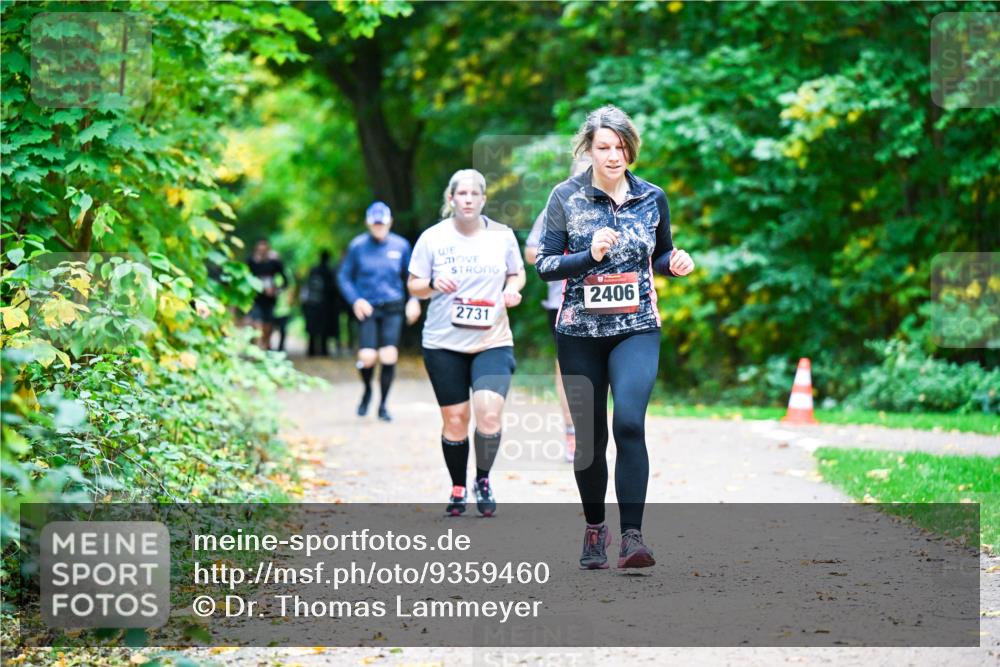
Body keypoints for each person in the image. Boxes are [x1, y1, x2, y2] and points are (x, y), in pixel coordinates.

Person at [536, 105, 695, 569]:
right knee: (590, 439)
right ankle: (594, 528)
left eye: (621, 147)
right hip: (580, 332)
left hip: (637, 328)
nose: (613, 156)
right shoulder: (565, 196)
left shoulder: (652, 197)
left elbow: (660, 254)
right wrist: (588, 255)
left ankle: (632, 537)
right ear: (588, 149)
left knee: (628, 422)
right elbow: (545, 264)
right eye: (604, 147)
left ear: (631, 149)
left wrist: (674, 263)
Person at [407, 169, 525, 518]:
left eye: (475, 194)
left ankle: (483, 479)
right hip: (443, 343)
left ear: (484, 199)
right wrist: (432, 284)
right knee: (456, 419)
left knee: (488, 411)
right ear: (451, 198)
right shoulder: (432, 238)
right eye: (462, 194)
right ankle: (458, 486)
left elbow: (516, 272)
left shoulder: (502, 236)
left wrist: (512, 289)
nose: (469, 199)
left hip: (493, 340)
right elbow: (414, 285)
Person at [523, 157, 591, 464]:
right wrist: (565, 254)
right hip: (562, 300)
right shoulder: (558, 205)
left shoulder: (617, 206)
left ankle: (594, 430)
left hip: (605, 299)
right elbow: (530, 252)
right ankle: (571, 432)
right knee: (567, 369)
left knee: (603, 367)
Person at [338, 202, 421, 421]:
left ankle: (383, 405)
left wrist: (414, 300)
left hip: (393, 306)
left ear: (389, 222)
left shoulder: (401, 245)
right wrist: (356, 300)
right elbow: (344, 277)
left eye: (382, 224)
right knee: (367, 357)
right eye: (375, 224)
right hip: (368, 308)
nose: (379, 227)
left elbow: (411, 276)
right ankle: (367, 390)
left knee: (388, 355)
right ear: (368, 223)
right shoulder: (357, 246)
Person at [246, 239, 287, 350]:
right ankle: (256, 347)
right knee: (256, 322)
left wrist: (276, 290)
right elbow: (244, 278)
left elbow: (285, 281)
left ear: (268, 250)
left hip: (269, 299)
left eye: (264, 250)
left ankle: (266, 344)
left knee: (268, 324)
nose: (262, 252)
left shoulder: (274, 263)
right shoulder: (250, 262)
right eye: (260, 250)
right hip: (254, 298)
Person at [302, 250, 338, 357]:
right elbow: (333, 289)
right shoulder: (329, 271)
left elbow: (307, 285)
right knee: (323, 327)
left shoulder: (313, 270)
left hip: (312, 303)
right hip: (325, 304)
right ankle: (323, 350)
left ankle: (311, 350)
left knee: (313, 327)